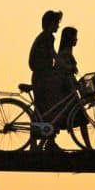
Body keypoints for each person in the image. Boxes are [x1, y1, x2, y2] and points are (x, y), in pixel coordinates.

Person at [28, 10, 63, 150]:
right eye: (57, 24)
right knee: (44, 109)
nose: (58, 27)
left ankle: (47, 142)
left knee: (43, 110)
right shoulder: (48, 37)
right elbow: (53, 54)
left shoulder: (43, 37)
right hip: (42, 78)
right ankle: (38, 143)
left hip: (41, 76)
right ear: (50, 24)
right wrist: (65, 66)